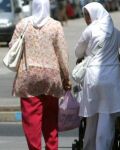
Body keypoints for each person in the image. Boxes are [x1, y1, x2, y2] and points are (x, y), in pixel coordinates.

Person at [9, 0, 71, 150]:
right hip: (51, 78)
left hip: (28, 77)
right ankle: (51, 147)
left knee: (31, 120)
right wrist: (66, 77)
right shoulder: (55, 26)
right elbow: (62, 54)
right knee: (50, 118)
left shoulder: (23, 24)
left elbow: (12, 47)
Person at [74, 2, 120, 150]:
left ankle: (88, 147)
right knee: (106, 118)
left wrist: (87, 53)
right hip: (112, 79)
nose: (86, 18)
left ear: (95, 14)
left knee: (91, 118)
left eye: (88, 15)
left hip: (93, 78)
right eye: (84, 15)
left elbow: (77, 52)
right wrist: (119, 57)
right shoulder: (114, 31)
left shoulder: (89, 31)